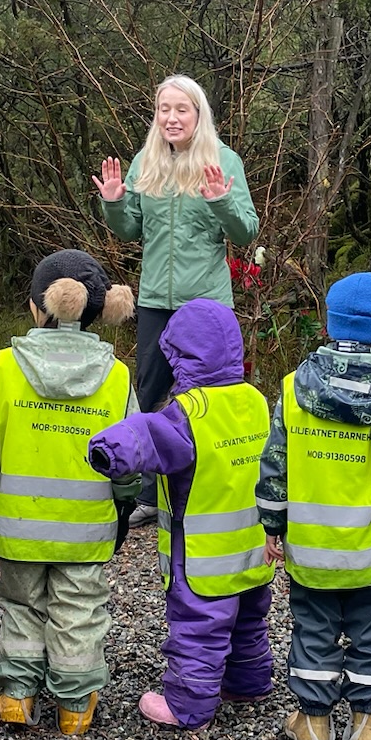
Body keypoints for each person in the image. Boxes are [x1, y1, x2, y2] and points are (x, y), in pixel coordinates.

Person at [258, 272, 371, 740]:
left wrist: (272, 525)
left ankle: (313, 723)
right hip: (370, 552)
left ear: (332, 325)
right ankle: (370, 722)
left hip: (309, 550)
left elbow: (275, 467)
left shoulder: (294, 389)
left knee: (312, 629)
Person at [87, 298, 273, 729]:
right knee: (248, 620)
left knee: (198, 632)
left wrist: (107, 450)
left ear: (180, 356)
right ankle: (248, 681)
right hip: (254, 548)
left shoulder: (189, 414)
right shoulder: (254, 400)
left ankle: (188, 705)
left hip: (201, 557)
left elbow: (148, 435)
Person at [0, 250, 139, 734]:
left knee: (21, 604)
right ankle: (74, 705)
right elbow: (128, 457)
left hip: (17, 522)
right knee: (79, 609)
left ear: (35, 306)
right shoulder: (117, 376)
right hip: (86, 527)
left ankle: (15, 696)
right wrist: (124, 503)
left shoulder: (5, 368)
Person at [93, 76, 260, 526]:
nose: (171, 117)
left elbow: (246, 232)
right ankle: (147, 494)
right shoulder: (145, 161)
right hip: (154, 302)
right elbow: (130, 229)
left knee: (206, 398)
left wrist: (223, 201)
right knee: (148, 392)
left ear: (198, 114)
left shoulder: (223, 161)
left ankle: (208, 486)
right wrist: (113, 203)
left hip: (206, 306)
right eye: (164, 109)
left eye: (181, 109)